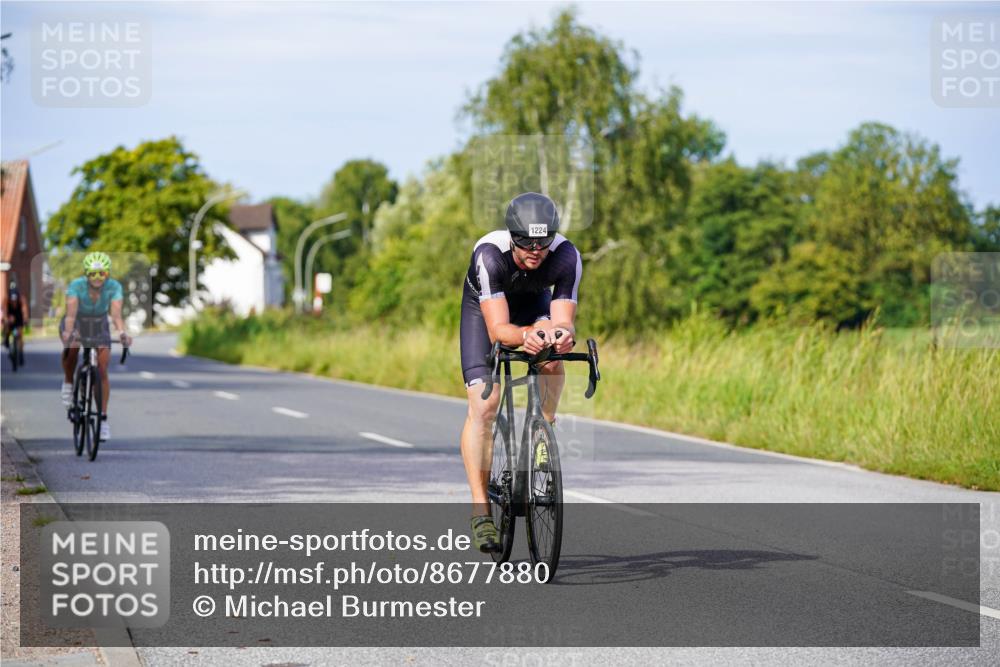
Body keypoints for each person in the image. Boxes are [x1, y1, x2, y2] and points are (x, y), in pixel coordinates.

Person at [459, 192, 582, 552]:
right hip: (486, 312)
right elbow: (499, 331)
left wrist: (561, 336)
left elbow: (563, 321)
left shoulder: (566, 256)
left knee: (552, 359)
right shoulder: (489, 255)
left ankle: (543, 433)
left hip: (533, 303)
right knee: (485, 405)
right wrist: (526, 335)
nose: (535, 250)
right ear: (511, 235)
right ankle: (481, 513)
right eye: (526, 241)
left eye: (542, 242)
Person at [60, 252, 131, 441]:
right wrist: (69, 332)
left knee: (102, 368)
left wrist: (122, 333)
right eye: (93, 274)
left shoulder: (114, 287)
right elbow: (71, 314)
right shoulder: (77, 286)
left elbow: (116, 315)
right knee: (73, 347)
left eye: (102, 274)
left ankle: (103, 419)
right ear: (86, 274)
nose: (97, 278)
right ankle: (68, 382)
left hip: (99, 322)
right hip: (77, 320)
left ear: (107, 274)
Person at [3, 285, 27, 364]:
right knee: (7, 327)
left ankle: (20, 354)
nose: (14, 302)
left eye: (15, 301)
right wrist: (6, 319)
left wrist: (25, 319)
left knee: (20, 335)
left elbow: (24, 310)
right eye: (12, 301)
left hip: (18, 315)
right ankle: (6, 339)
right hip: (10, 315)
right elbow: (5, 311)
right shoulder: (6, 300)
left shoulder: (21, 299)